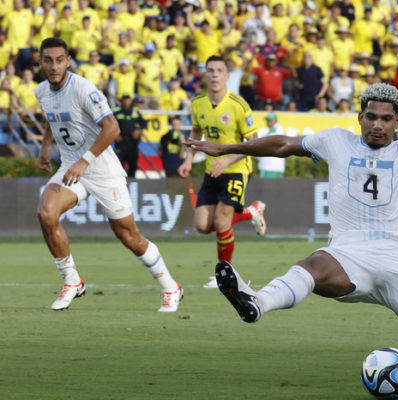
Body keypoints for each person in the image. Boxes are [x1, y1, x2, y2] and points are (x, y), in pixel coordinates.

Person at [186, 22, 398, 373]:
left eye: (386, 119)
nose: (377, 125)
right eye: (371, 116)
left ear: (397, 122)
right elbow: (283, 144)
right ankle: (257, 301)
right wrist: (230, 146)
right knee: (312, 266)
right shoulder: (336, 141)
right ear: (359, 116)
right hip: (347, 254)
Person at [34, 37, 182, 312]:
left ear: (68, 61)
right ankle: (71, 280)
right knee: (46, 212)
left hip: (102, 170)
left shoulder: (83, 89)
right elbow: (51, 116)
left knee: (130, 238)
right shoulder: (41, 91)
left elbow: (112, 128)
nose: (53, 66)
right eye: (47, 60)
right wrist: (45, 147)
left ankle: (171, 287)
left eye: (59, 60)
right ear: (40, 61)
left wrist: (85, 162)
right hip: (71, 167)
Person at [177, 55, 268, 281]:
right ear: (205, 75)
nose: (215, 74)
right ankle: (250, 212)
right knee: (202, 225)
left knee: (221, 221)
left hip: (236, 168)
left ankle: (224, 274)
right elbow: (196, 132)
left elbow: (252, 143)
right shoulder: (198, 103)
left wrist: (227, 159)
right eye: (210, 70)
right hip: (212, 170)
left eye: (219, 71)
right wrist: (189, 159)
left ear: (227, 77)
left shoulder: (238, 105)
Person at [113, 94, 144, 177]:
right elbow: (110, 124)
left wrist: (138, 130)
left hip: (132, 142)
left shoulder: (135, 111)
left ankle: (133, 185)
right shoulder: (116, 111)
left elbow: (143, 123)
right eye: (125, 100)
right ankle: (120, 186)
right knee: (119, 165)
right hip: (121, 142)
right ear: (121, 101)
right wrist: (115, 135)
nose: (127, 102)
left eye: (128, 100)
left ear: (131, 101)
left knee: (133, 165)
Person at [257, 112, 286, 178]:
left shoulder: (274, 130)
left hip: (269, 167)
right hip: (277, 167)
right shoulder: (277, 130)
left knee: (265, 188)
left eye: (269, 120)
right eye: (267, 120)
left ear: (275, 121)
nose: (267, 122)